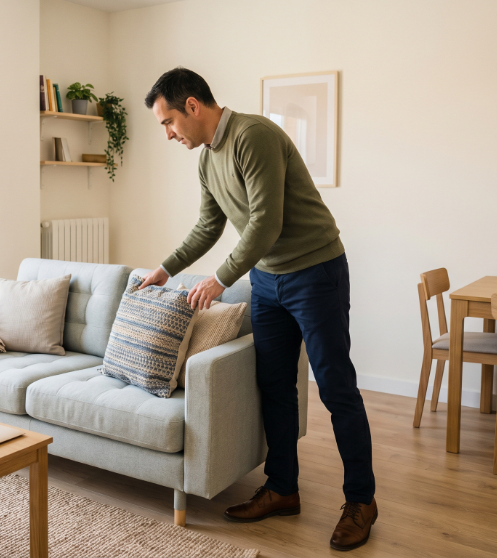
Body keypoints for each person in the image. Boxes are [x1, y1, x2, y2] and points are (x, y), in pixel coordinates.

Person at [138, 68, 377, 551]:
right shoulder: (207, 161)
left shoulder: (254, 136)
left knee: (335, 385)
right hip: (267, 282)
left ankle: (362, 501)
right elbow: (208, 227)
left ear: (192, 107)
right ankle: (283, 488)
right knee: (273, 385)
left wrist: (220, 278)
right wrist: (164, 269)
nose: (168, 134)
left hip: (315, 272)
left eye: (167, 122)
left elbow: (267, 222)